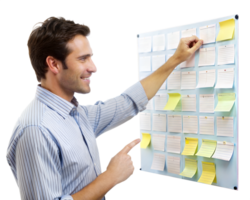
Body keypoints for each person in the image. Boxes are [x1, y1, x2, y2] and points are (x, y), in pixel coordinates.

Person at [4, 16, 203, 200]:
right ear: (54, 64)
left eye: (91, 57)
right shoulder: (36, 130)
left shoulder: (75, 114)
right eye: (82, 59)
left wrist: (176, 59)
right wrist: (111, 177)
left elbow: (127, 102)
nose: (94, 67)